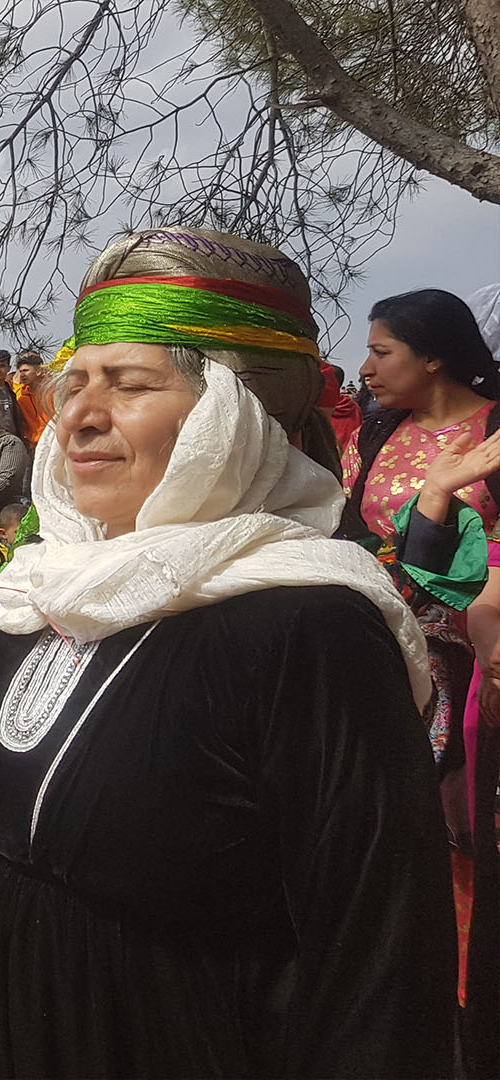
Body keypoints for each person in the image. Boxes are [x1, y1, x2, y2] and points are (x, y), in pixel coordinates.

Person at [0, 226, 456, 1077]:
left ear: (236, 416)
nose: (79, 414)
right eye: (75, 384)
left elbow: (377, 955)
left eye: (131, 384)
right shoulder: (44, 592)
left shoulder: (312, 626)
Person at [344, 287, 500, 1061]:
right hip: (396, 671)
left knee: (473, 834)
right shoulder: (373, 439)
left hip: (479, 672)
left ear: (434, 356)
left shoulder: (495, 431)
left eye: (382, 351)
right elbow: (353, 544)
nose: (365, 366)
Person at [12, 349, 53, 444]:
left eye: (25, 371)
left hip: (54, 443)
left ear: (38, 371)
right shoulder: (20, 398)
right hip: (33, 446)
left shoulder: (52, 393)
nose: (22, 375)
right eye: (20, 371)